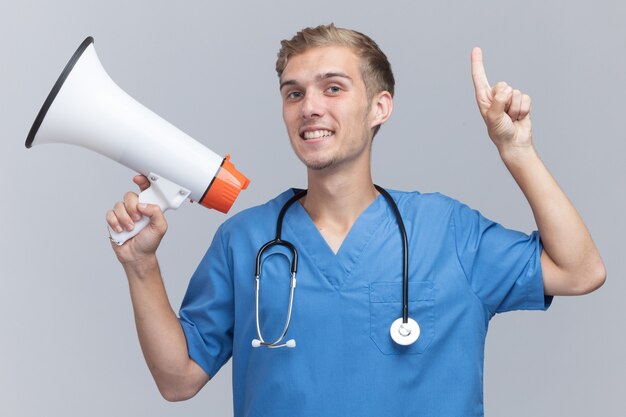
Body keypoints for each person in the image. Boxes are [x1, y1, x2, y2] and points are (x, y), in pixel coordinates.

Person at [106, 24, 606, 416]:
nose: (310, 108)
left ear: (379, 107)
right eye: (294, 93)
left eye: (333, 88)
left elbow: (579, 271)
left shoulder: (447, 231)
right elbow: (178, 380)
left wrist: (517, 151)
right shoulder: (246, 240)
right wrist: (140, 265)